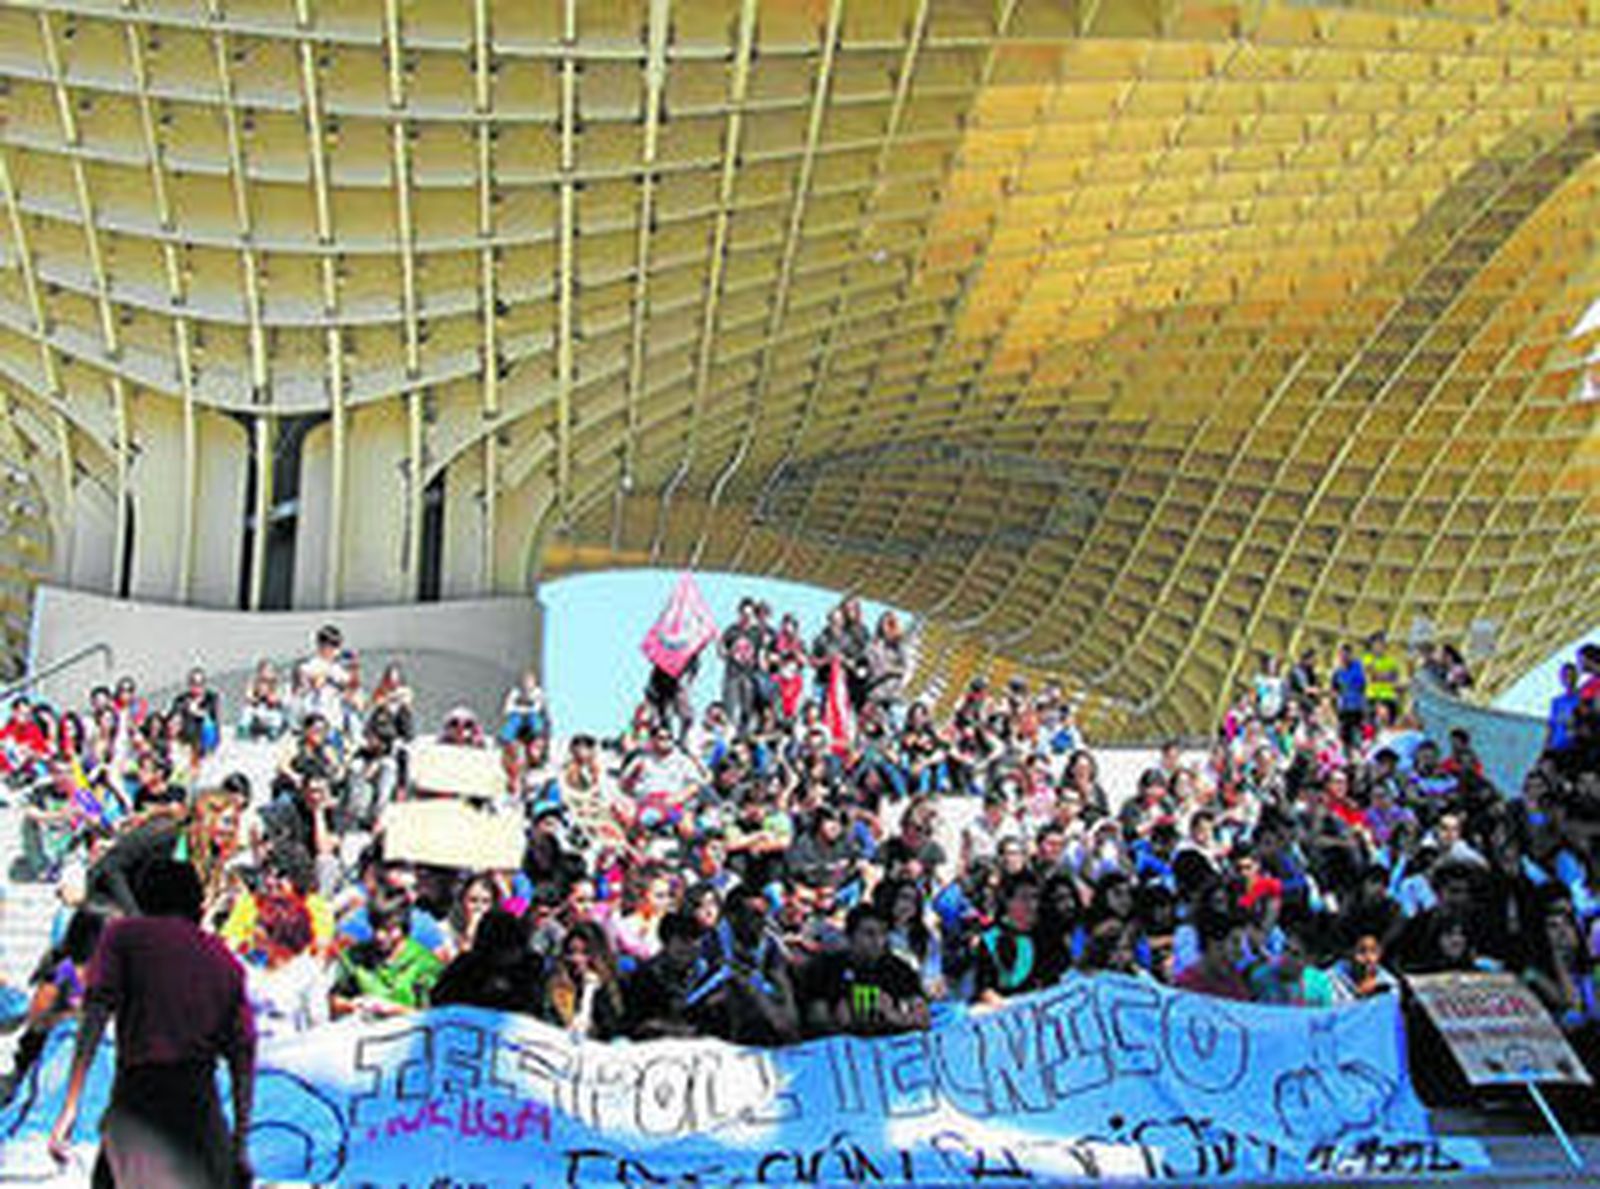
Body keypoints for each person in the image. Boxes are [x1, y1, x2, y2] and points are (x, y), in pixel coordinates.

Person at [48, 859, 256, 1188]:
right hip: (198, 1107)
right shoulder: (223, 959)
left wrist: (71, 1106)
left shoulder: (123, 938)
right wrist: (240, 1141)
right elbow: (243, 1056)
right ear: (198, 904)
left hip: (139, 1100)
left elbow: (95, 1017)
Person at [802, 905, 928, 1038]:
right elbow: (816, 1019)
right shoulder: (827, 968)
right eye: (869, 934)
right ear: (850, 936)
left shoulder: (899, 969)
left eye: (883, 933)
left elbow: (923, 1018)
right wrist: (842, 1022)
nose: (878, 941)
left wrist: (894, 1018)